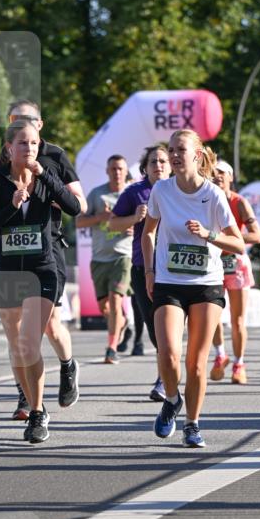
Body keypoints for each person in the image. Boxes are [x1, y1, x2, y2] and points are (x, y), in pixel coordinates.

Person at [0, 120, 81, 442]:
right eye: (23, 144)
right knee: (18, 346)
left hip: (42, 268)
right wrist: (11, 206)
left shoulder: (45, 178)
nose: (29, 149)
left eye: (34, 143)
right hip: (8, 271)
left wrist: (46, 177)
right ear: (9, 149)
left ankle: (36, 413)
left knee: (29, 341)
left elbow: (74, 208)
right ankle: (33, 402)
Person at [141, 129, 244, 447]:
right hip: (169, 281)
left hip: (206, 284)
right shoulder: (161, 189)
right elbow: (148, 233)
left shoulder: (213, 194)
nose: (173, 155)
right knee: (169, 354)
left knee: (195, 362)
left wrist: (208, 236)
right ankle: (172, 400)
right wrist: (149, 270)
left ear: (197, 155)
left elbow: (238, 244)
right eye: (170, 149)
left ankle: (193, 424)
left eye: (180, 150)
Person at [7, 101, 86, 418]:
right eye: (15, 119)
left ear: (40, 124)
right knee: (16, 330)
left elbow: (78, 202)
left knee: (51, 325)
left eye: (28, 120)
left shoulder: (54, 155)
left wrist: (52, 191)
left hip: (48, 246)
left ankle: (68, 366)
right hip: (12, 253)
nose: (22, 124)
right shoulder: (6, 155)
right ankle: (26, 397)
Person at [107, 143, 171, 400]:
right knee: (155, 329)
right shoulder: (135, 192)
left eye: (163, 161)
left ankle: (165, 378)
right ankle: (167, 373)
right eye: (153, 162)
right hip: (143, 267)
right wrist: (134, 217)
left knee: (169, 327)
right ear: (145, 167)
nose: (158, 165)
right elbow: (112, 224)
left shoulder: (180, 190)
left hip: (175, 269)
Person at [208, 159, 260, 385]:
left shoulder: (239, 202)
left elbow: (256, 235)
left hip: (235, 263)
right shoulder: (207, 199)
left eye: (222, 173)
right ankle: (220, 355)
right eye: (214, 173)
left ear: (231, 177)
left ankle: (239, 364)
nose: (218, 176)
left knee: (238, 319)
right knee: (212, 316)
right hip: (212, 263)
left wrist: (230, 240)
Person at [76, 154, 133, 365]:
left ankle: (111, 349)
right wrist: (99, 217)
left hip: (122, 255)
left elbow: (147, 221)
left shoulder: (132, 193)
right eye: (113, 169)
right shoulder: (97, 194)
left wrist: (134, 227)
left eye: (120, 169)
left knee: (116, 300)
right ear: (107, 171)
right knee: (104, 308)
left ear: (126, 172)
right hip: (100, 258)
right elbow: (79, 223)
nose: (117, 172)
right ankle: (122, 323)